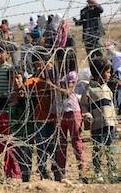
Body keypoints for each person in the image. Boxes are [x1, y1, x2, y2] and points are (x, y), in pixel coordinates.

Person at [47, 51, 87, 182]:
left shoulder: (72, 74)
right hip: (60, 113)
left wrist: (53, 85)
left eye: (60, 59)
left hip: (72, 111)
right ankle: (60, 174)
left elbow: (68, 92)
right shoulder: (56, 74)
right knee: (61, 145)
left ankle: (83, 173)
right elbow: (46, 73)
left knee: (76, 142)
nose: (58, 62)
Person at [81, 58, 118, 183]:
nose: (109, 74)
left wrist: (115, 123)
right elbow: (84, 105)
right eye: (107, 72)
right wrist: (86, 115)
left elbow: (111, 106)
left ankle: (112, 171)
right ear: (98, 72)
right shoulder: (89, 89)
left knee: (110, 149)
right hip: (97, 125)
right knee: (98, 149)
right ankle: (98, 172)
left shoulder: (107, 89)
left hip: (110, 124)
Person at [0, 41, 21, 179]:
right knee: (0, 143)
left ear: (7, 54)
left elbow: (14, 89)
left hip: (8, 110)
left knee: (10, 142)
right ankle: (5, 171)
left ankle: (13, 172)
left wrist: (10, 102)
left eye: (0, 52)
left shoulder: (10, 69)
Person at [24, 60, 56, 180]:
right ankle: (42, 171)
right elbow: (25, 87)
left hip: (53, 119)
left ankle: (55, 170)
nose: (40, 67)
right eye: (37, 65)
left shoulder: (53, 79)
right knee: (41, 147)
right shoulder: (33, 81)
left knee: (53, 146)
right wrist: (36, 78)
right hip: (39, 119)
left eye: (43, 64)